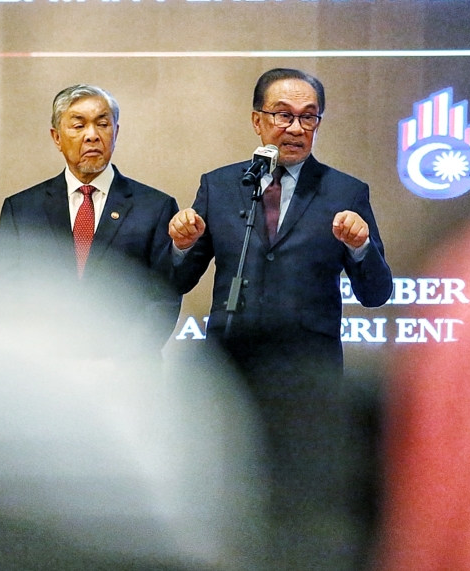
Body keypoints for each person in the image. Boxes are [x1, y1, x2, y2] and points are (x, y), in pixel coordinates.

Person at [168, 68, 393, 570]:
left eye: (308, 117)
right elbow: (181, 278)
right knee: (224, 490)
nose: (295, 128)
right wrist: (180, 246)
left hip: (309, 373)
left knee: (304, 498)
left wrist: (360, 249)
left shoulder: (345, 191)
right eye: (283, 115)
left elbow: (377, 292)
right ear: (257, 120)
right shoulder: (221, 186)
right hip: (229, 367)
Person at [0, 84, 180, 351]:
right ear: (57, 137)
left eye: (102, 124)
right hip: (44, 371)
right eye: (78, 126)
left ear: (116, 132)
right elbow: (7, 296)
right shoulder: (22, 210)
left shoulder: (155, 207)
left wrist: (120, 362)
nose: (92, 136)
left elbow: (163, 299)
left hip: (128, 375)